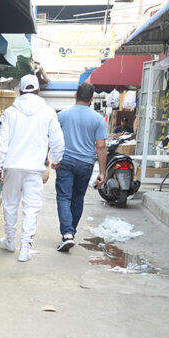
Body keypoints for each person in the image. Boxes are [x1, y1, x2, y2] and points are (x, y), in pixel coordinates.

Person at [0, 74, 65, 262]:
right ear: (38, 90)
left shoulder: (9, 112)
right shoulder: (48, 112)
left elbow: (1, 140)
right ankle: (25, 248)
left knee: (10, 204)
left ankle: (10, 240)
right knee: (31, 207)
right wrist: (56, 159)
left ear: (20, 91)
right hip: (35, 168)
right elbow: (57, 140)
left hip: (12, 166)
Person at [54, 82, 108, 252]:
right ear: (92, 98)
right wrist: (102, 172)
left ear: (75, 95)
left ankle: (67, 234)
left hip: (66, 161)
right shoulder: (98, 119)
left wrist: (50, 159)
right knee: (77, 198)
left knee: (64, 197)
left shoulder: (62, 116)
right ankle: (71, 233)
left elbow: (53, 139)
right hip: (86, 164)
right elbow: (100, 146)